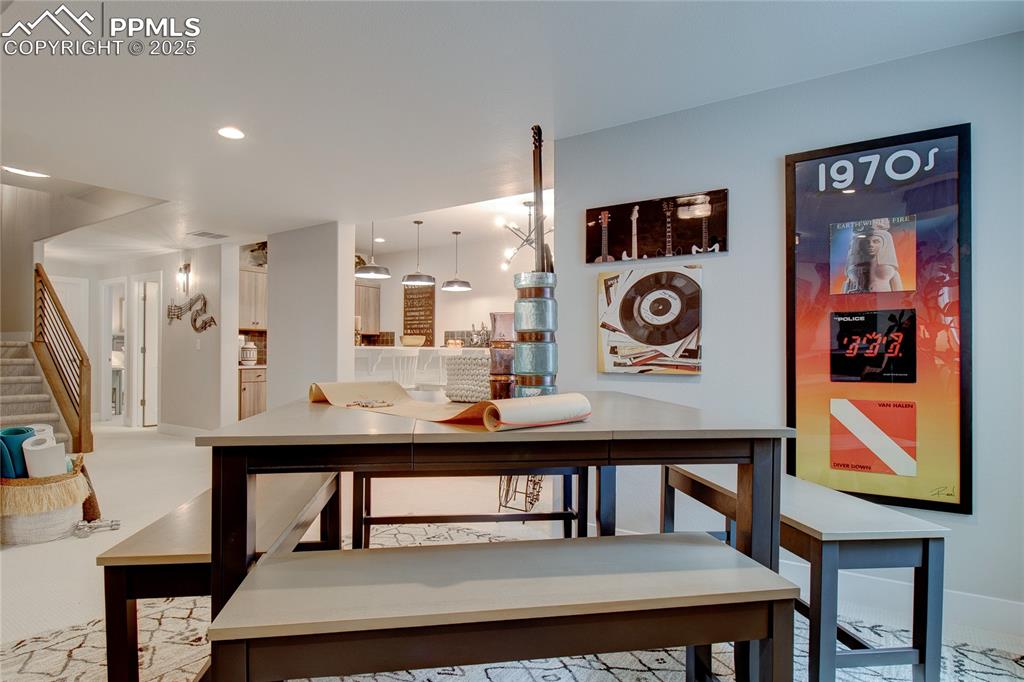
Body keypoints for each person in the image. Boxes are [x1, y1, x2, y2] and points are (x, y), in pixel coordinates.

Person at [842, 218, 904, 293]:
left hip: (884, 301)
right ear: (860, 245)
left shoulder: (891, 271)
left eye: (876, 241)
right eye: (866, 242)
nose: (871, 245)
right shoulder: (852, 271)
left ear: (884, 244)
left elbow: (900, 296)